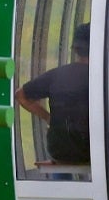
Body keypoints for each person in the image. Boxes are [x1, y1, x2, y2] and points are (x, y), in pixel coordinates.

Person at [13, 23, 91, 164]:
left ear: (75, 50)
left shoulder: (57, 75)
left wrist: (49, 118)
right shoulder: (102, 78)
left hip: (59, 150)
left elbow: (20, 95)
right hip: (91, 150)